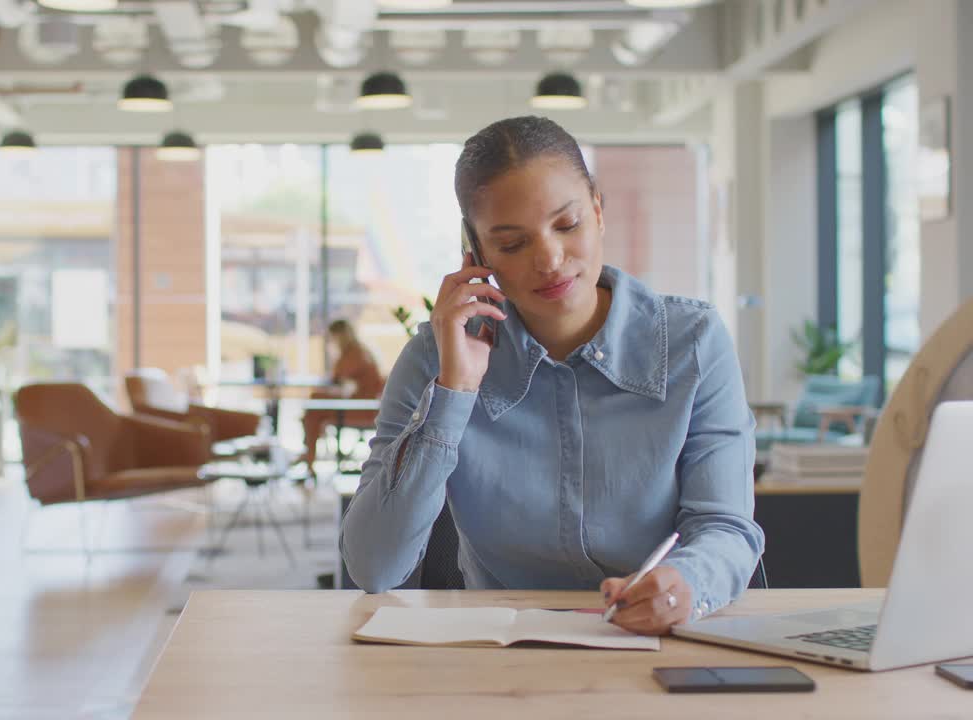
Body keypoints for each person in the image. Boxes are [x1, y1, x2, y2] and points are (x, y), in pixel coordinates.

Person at [340, 116, 764, 637]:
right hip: (501, 658)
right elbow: (374, 567)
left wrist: (685, 584)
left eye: (567, 225)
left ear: (599, 212)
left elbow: (726, 528)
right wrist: (454, 392)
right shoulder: (436, 357)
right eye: (513, 244)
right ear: (477, 256)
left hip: (659, 643)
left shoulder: (693, 342)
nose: (550, 259)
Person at [302, 319, 385, 470]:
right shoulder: (360, 350)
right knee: (314, 408)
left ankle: (309, 455)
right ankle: (308, 453)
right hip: (362, 405)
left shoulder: (354, 353)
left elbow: (337, 376)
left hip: (362, 410)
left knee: (314, 407)